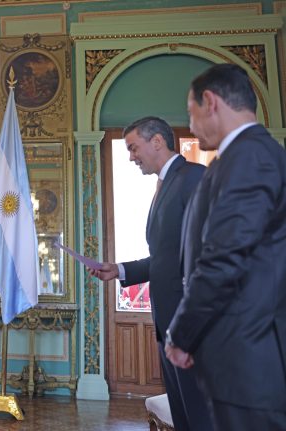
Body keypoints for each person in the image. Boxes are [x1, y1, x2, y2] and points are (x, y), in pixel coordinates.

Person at [165, 63, 286, 429]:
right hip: (239, 356)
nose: (191, 123)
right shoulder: (241, 157)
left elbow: (222, 258)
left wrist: (182, 335)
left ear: (210, 101)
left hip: (247, 359)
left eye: (191, 112)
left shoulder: (250, 157)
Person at [88, 116, 211, 431]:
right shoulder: (165, 186)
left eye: (133, 148)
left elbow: (211, 254)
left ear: (157, 141)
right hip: (168, 327)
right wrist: (119, 270)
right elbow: (165, 258)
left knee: (201, 418)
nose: (131, 157)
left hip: (192, 329)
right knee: (185, 417)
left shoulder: (194, 178)